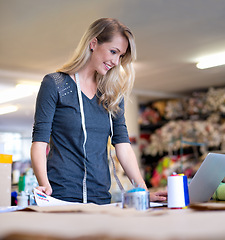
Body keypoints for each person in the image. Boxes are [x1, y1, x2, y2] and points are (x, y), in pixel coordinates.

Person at [31, 18, 167, 205]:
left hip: (100, 198)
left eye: (120, 56)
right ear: (93, 43)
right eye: (113, 52)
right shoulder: (55, 84)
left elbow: (123, 146)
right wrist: (44, 184)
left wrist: (142, 190)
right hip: (61, 196)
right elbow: (39, 142)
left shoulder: (112, 94)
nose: (116, 61)